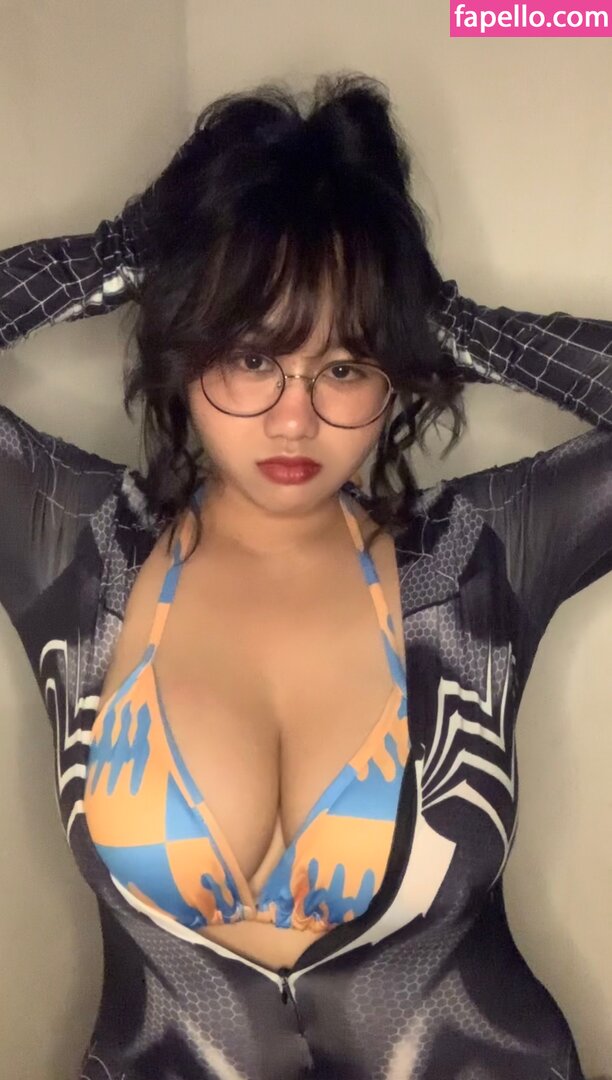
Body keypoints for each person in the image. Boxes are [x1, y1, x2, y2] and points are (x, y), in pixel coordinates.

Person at [1, 72, 610, 1080]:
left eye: (346, 367)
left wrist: (437, 320)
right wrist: (129, 253)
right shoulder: (76, 543)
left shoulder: (480, 551)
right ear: (184, 349)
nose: (295, 419)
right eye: (252, 356)